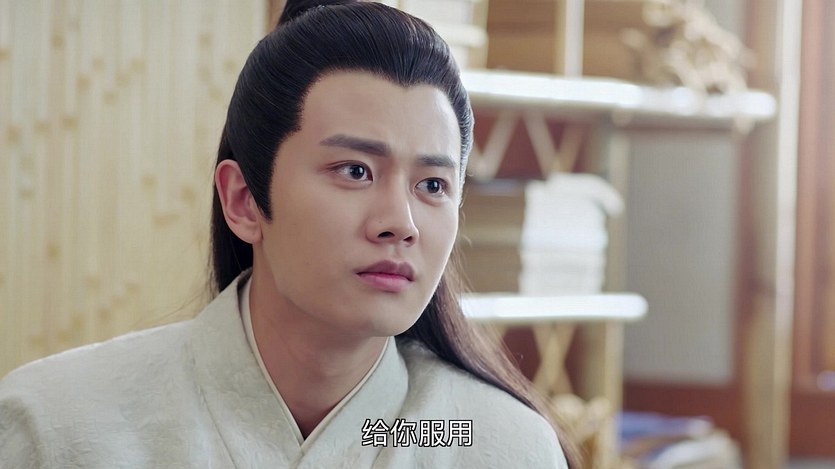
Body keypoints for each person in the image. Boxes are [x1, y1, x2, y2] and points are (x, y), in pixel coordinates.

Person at [0, 1, 576, 467]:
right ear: (244, 200)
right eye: (355, 171)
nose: (400, 222)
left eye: (432, 185)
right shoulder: (57, 425)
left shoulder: (492, 443)